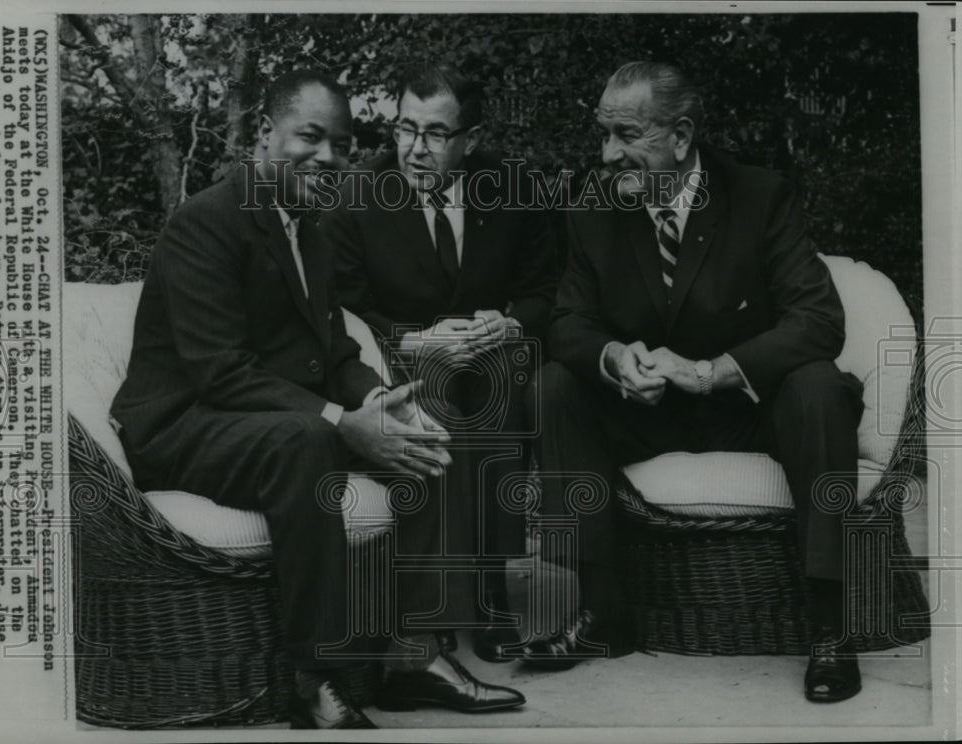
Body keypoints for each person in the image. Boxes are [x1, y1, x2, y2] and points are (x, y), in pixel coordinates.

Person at [110, 70, 525, 729]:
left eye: (341, 142)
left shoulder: (313, 228)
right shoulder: (205, 224)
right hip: (182, 427)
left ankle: (414, 653)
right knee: (305, 438)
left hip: (258, 421)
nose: (328, 157)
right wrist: (339, 420)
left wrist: (386, 402)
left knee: (422, 430)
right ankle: (317, 677)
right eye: (310, 136)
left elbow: (333, 352)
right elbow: (222, 374)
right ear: (263, 134)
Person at [525, 61, 865, 704]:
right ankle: (605, 613)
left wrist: (714, 372)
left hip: (746, 407)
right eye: (603, 134)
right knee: (553, 386)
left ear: (680, 137)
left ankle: (829, 628)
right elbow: (569, 321)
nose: (607, 153)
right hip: (646, 411)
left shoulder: (760, 196)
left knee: (819, 387)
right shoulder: (593, 210)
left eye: (626, 134)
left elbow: (818, 319)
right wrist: (614, 359)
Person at [322, 65, 558, 663]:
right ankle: (441, 604)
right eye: (405, 129)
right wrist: (412, 342)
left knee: (507, 393)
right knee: (432, 410)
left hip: (489, 353)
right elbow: (343, 310)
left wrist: (509, 324)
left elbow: (546, 289)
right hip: (402, 360)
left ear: (470, 141)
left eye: (434, 133)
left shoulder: (512, 187)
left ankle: (491, 589)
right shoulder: (357, 200)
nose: (415, 148)